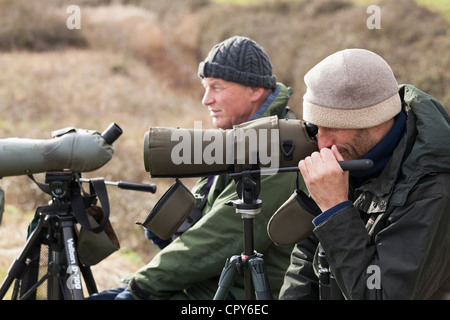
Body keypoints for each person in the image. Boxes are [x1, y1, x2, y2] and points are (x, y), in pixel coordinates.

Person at [89, 36, 303, 300]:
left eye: (217, 87)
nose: (206, 99)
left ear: (255, 91)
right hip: (206, 282)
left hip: (235, 293)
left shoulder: (280, 148)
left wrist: (141, 287)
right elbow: (202, 221)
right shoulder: (239, 139)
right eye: (205, 87)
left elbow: (218, 239)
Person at [279, 48, 450, 300]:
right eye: (316, 128)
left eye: (333, 127)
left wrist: (335, 210)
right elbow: (305, 262)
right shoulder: (347, 155)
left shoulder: (432, 185)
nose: (322, 144)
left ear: (377, 121)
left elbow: (380, 294)